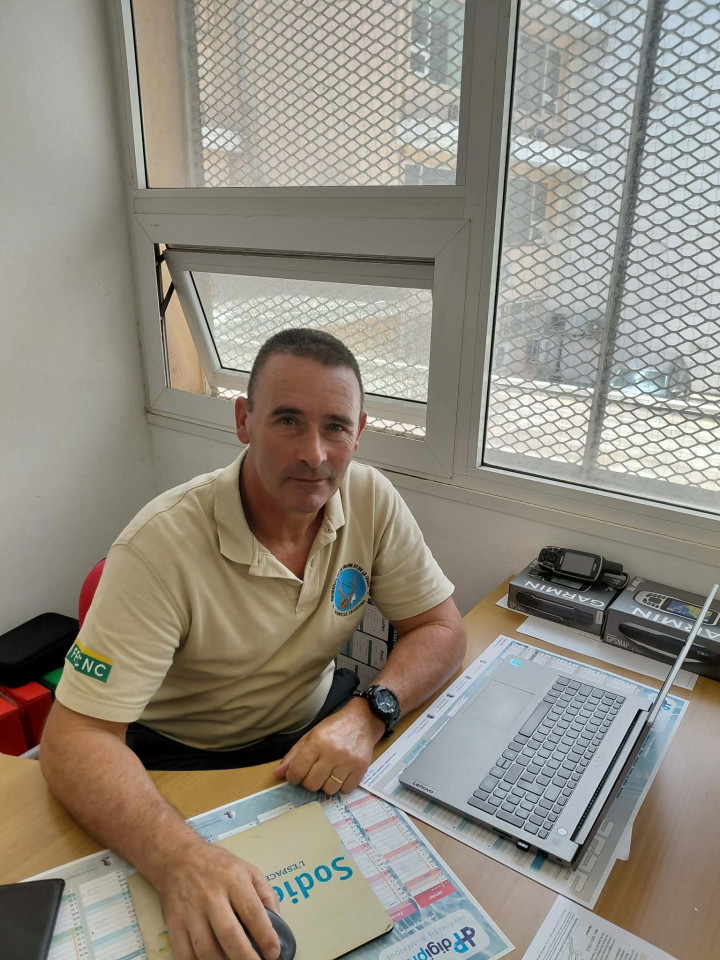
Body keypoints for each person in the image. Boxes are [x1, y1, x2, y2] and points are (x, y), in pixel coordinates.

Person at [40, 328, 466, 960]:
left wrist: (369, 713)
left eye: (335, 427)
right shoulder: (159, 545)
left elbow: (440, 628)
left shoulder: (371, 497)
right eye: (288, 421)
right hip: (184, 757)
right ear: (244, 420)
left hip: (315, 729)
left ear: (359, 433)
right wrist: (179, 859)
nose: (314, 455)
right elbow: (72, 739)